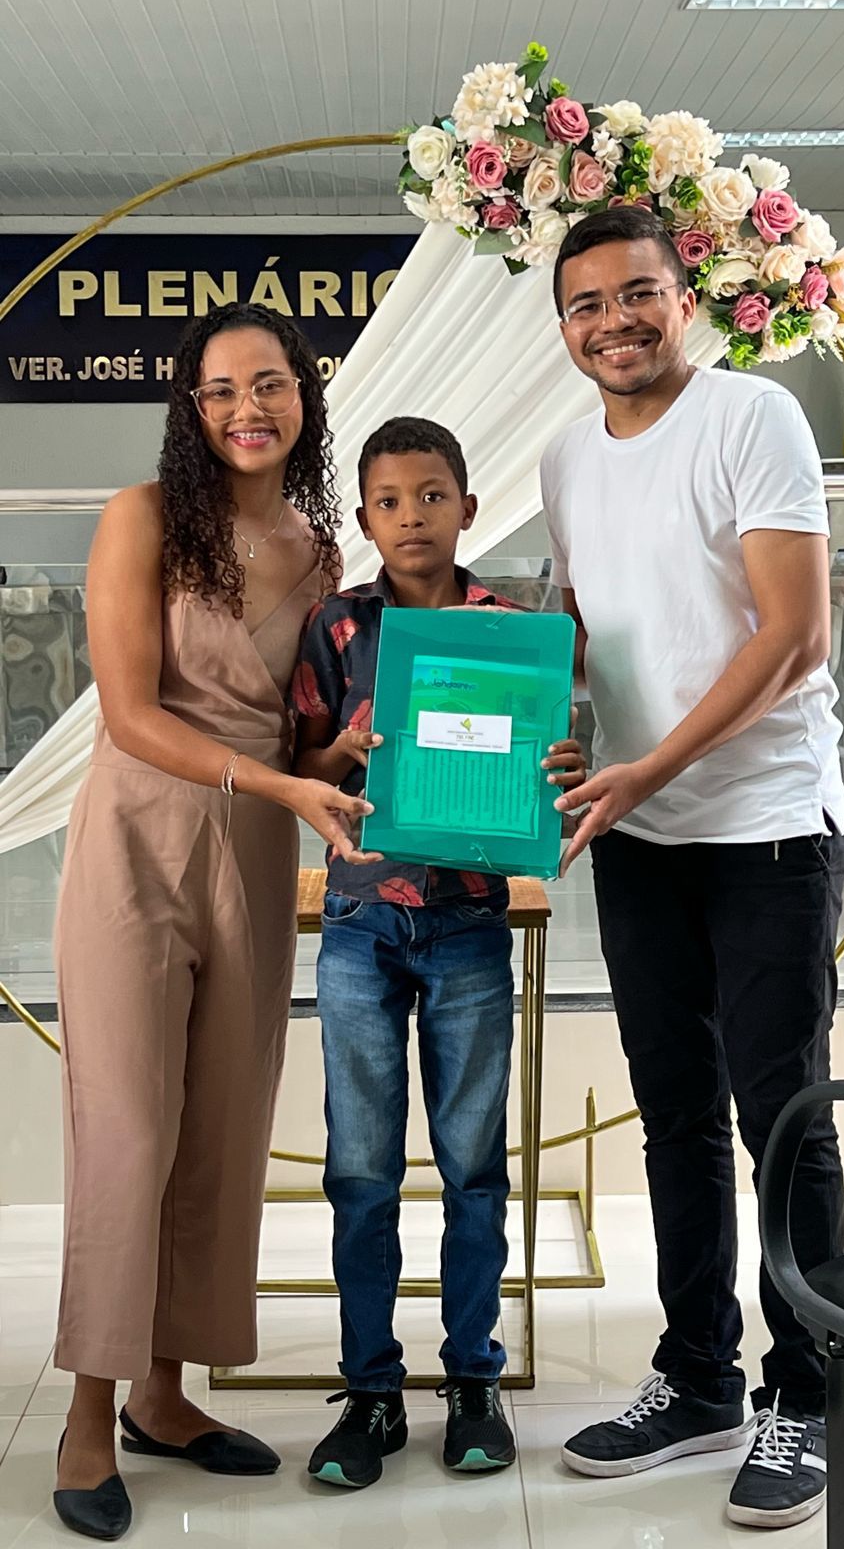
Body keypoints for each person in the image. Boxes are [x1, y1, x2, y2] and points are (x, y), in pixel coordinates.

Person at [543, 209, 844, 1532]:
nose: (613, 320)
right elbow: (584, 624)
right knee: (672, 1113)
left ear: (685, 298)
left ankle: (813, 1392)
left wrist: (650, 766)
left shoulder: (752, 418)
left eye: (636, 293)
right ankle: (699, 1377)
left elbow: (797, 636)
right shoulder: (565, 455)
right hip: (640, 837)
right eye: (586, 303)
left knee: (783, 1114)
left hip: (766, 826)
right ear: (563, 327)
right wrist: (527, 720)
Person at [52, 302, 376, 1541]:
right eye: (223, 389)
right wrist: (286, 782)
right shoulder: (141, 517)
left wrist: (343, 751)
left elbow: (298, 736)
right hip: (138, 837)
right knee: (127, 1130)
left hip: (253, 843)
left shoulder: (321, 550)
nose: (249, 407)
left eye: (271, 383)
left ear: (305, 396)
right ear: (192, 409)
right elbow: (130, 714)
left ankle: (165, 1392)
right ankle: (89, 1413)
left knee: (222, 1128)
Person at [292, 415, 585, 1488]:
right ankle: (370, 1389)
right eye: (387, 501)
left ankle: (473, 1381)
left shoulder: (510, 631)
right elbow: (302, 762)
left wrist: (558, 765)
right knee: (360, 1170)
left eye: (430, 496)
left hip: (467, 925)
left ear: (468, 506)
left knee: (473, 1166)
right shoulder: (337, 625)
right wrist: (341, 751)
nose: (410, 516)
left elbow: (543, 759)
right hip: (360, 926)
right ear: (363, 519)